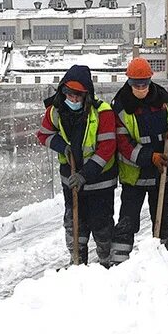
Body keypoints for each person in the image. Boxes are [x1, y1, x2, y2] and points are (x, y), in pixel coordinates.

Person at [37, 64, 117, 265]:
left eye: (78, 96)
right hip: (71, 181)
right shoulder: (55, 111)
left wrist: (86, 174)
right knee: (75, 225)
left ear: (87, 95)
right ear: (63, 91)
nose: (73, 99)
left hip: (100, 183)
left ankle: (107, 264)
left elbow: (107, 148)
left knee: (102, 226)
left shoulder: (102, 113)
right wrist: (61, 146)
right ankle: (77, 262)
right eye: (69, 94)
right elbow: (44, 135)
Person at [110, 57, 168, 263]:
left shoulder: (163, 99)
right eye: (136, 84)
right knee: (127, 219)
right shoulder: (120, 105)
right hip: (135, 174)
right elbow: (123, 143)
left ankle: (162, 257)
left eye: (144, 83)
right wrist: (149, 157)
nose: (140, 87)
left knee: (162, 217)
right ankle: (119, 259)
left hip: (162, 172)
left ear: (150, 80)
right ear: (129, 81)